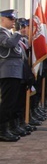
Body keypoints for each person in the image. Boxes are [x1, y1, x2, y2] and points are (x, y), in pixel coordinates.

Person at [0, 9, 24, 141]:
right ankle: (2, 130)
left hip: (14, 72)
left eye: (14, 19)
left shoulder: (10, 34)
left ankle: (9, 127)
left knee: (13, 101)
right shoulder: (2, 33)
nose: (13, 21)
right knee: (7, 102)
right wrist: (19, 33)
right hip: (7, 72)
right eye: (10, 18)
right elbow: (9, 44)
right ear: (2, 19)